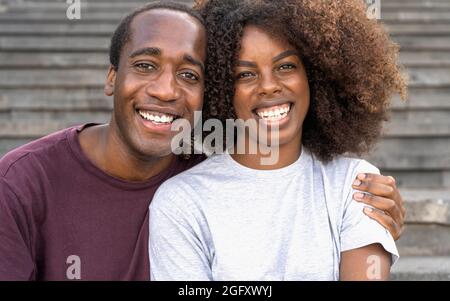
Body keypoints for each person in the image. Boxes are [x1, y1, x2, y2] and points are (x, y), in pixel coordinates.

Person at [0, 1, 404, 281]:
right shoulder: (21, 184)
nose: (164, 90)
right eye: (145, 66)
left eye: (189, 75)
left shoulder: (353, 184)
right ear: (111, 78)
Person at [149, 0, 408, 280]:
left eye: (285, 66)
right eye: (245, 74)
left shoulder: (358, 184)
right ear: (221, 89)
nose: (269, 85)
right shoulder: (180, 201)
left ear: (315, 76)